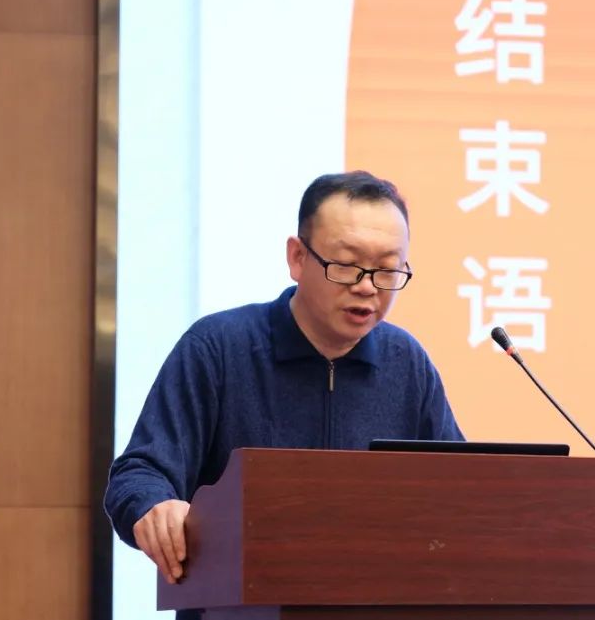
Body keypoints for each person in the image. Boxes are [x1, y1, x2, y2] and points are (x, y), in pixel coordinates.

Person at [103, 170, 464, 603]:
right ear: (297, 257)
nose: (367, 287)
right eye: (347, 266)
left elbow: (460, 487)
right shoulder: (218, 348)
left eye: (387, 270)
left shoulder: (406, 362)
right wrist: (154, 507)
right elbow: (139, 473)